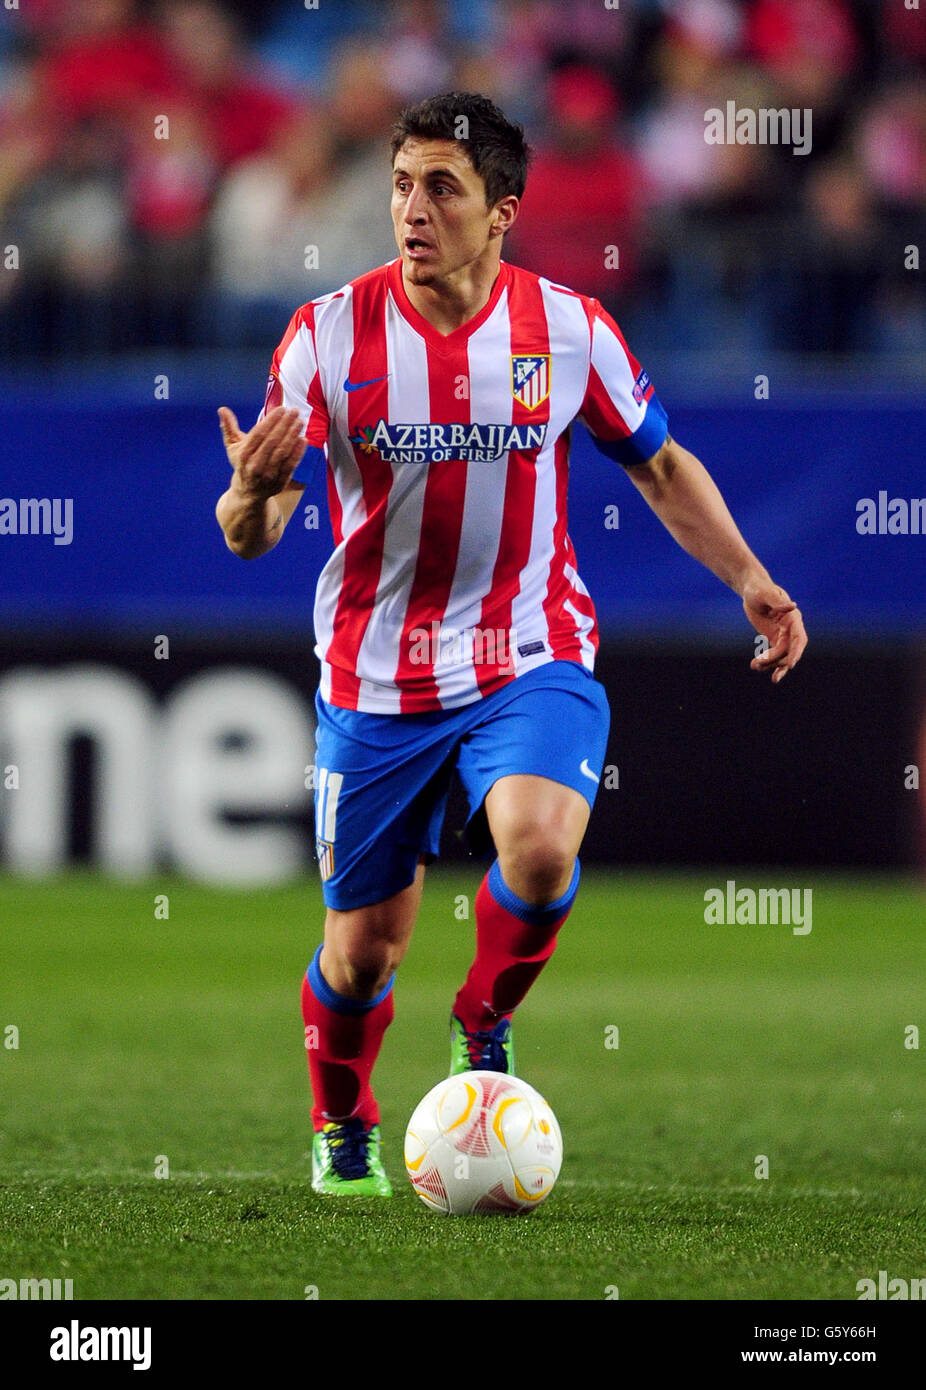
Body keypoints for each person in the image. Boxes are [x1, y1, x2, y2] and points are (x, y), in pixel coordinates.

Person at [214, 92, 807, 1198]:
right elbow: (250, 537)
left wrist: (749, 577)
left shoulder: (569, 329)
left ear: (503, 212)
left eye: (442, 186)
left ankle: (479, 1023)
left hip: (529, 652)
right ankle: (340, 1120)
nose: (412, 209)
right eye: (401, 184)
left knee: (538, 849)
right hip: (375, 681)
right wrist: (248, 492)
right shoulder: (327, 336)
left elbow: (660, 468)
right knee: (360, 956)